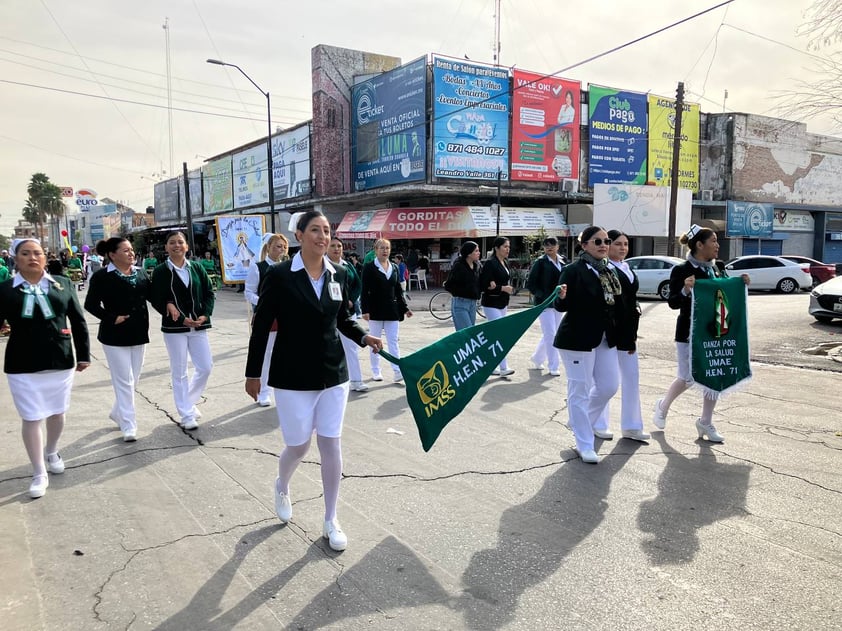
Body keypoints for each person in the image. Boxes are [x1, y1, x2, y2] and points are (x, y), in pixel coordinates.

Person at [244, 210, 383, 551]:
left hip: (333, 373)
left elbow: (344, 317)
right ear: (300, 235)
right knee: (298, 445)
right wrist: (253, 373)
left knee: (330, 443)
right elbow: (261, 326)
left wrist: (365, 336)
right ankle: (282, 483)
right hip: (292, 376)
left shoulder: (339, 274)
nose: (323, 237)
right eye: (316, 231)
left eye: (327, 231)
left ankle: (330, 518)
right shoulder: (279, 276)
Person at [0, 238, 90, 498]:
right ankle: (39, 472)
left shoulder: (62, 284)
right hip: (21, 362)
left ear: (45, 257)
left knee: (57, 413)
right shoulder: (5, 290)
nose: (32, 257)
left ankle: (51, 450)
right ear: (15, 259)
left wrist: (83, 354)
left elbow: (78, 320)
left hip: (59, 358)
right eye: (25, 253)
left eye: (37, 253)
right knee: (31, 416)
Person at [652, 224, 750, 442]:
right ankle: (663, 405)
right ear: (699, 245)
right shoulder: (682, 270)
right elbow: (673, 303)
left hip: (715, 332)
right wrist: (686, 289)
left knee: (713, 373)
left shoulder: (718, 268)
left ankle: (705, 422)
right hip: (689, 332)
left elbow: (725, 294)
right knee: (687, 377)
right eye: (713, 241)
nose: (717, 245)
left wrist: (740, 284)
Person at [553, 226, 621, 464]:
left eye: (606, 240)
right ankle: (584, 443)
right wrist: (560, 296)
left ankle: (579, 418)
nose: (604, 244)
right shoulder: (573, 271)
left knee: (609, 386)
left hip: (604, 338)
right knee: (579, 390)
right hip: (576, 338)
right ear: (584, 246)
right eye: (597, 241)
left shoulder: (609, 271)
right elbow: (561, 306)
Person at [84, 238, 150, 442]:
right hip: (114, 335)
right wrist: (112, 318)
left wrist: (171, 306)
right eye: (126, 250)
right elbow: (91, 305)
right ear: (112, 255)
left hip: (139, 332)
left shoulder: (140, 273)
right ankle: (128, 424)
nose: (131, 253)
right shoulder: (102, 276)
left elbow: (153, 296)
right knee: (124, 381)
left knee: (134, 379)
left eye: (132, 250)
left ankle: (117, 412)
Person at [150, 231, 215, 431]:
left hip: (198, 325)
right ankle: (186, 414)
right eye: (172, 243)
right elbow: (155, 297)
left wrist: (204, 314)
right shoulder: (161, 271)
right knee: (179, 372)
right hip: (175, 327)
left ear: (187, 246)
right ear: (166, 248)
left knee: (205, 367)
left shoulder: (196, 268)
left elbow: (208, 293)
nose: (176, 245)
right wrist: (169, 307)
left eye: (180, 242)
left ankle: (188, 401)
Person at [593, 230, 651, 442]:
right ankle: (598, 423)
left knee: (631, 378)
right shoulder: (604, 269)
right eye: (618, 244)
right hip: (610, 332)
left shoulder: (626, 267)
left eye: (626, 244)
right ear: (608, 246)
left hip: (628, 332)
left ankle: (632, 426)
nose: (623, 248)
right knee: (605, 382)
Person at [244, 233, 289, 406]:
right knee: (266, 354)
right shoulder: (259, 267)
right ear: (268, 247)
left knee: (285, 354)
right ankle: (264, 391)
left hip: (286, 316)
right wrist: (266, 303)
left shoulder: (289, 267)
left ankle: (283, 389)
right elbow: (249, 292)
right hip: (267, 316)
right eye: (278, 246)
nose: (281, 249)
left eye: (284, 247)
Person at [361, 238, 412, 383]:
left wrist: (405, 308)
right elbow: (364, 290)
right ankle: (376, 370)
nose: (385, 251)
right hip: (375, 310)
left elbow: (398, 290)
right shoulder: (369, 267)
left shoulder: (394, 267)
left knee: (393, 341)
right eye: (381, 248)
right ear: (375, 250)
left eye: (387, 248)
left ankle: (397, 371)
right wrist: (365, 310)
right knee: (375, 342)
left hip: (392, 310)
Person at [328, 237, 368, 393]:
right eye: (333, 246)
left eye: (339, 246)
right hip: (328, 315)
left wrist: (351, 299)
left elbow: (358, 284)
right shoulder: (321, 266)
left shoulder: (347, 265)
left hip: (347, 313)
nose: (337, 249)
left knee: (351, 347)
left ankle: (356, 380)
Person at [527, 236, 565, 377]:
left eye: (552, 245)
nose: (549, 247)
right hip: (544, 304)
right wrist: (541, 295)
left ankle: (537, 358)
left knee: (552, 333)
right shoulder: (540, 262)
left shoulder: (562, 261)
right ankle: (553, 365)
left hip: (558, 303)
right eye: (546, 245)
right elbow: (531, 283)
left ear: (557, 247)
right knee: (551, 334)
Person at [479, 236, 516, 377]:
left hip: (502, 303)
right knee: (500, 334)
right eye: (505, 247)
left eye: (509, 247)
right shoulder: (490, 263)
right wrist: (502, 288)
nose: (508, 249)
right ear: (496, 248)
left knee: (495, 336)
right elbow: (485, 285)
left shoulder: (504, 262)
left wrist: (501, 288)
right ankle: (503, 367)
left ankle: (490, 365)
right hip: (491, 303)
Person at [445, 241, 482, 330]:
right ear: (469, 253)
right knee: (466, 334)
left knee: (471, 332)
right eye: (476, 251)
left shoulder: (477, 265)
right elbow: (449, 285)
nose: (479, 253)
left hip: (473, 303)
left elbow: (481, 280)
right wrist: (463, 292)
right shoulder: (459, 266)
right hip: (460, 303)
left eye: (478, 250)